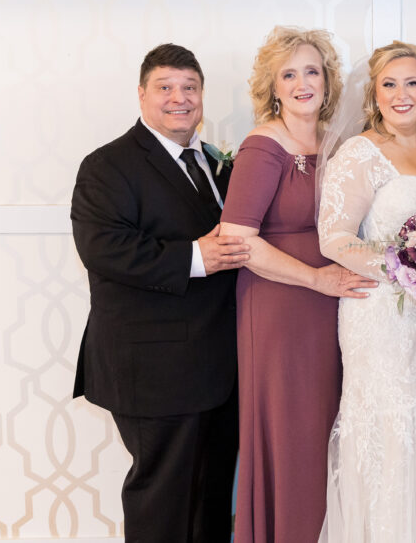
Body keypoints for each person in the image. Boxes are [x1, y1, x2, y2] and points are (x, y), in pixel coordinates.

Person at [71, 43, 249, 543]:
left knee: (210, 498)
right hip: (153, 370)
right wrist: (196, 257)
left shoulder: (214, 162)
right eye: (165, 87)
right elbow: (103, 248)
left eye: (189, 87)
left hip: (218, 368)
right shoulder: (108, 165)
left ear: (202, 95)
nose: (179, 98)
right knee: (163, 505)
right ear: (142, 95)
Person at [317, 41, 416, 542]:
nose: (401, 94)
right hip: (382, 317)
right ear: (374, 93)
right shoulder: (360, 152)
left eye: (412, 82)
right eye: (389, 84)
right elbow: (334, 237)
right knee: (395, 432)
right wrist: (408, 266)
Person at [219, 26, 375, 543]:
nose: (302, 83)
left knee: (329, 430)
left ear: (327, 81)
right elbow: (238, 240)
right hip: (280, 310)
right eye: (289, 74)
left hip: (335, 312)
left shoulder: (341, 145)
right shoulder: (263, 146)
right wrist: (315, 278)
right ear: (274, 87)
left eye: (312, 71)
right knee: (294, 434)